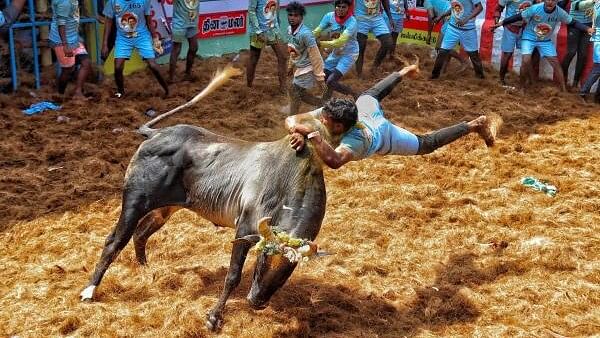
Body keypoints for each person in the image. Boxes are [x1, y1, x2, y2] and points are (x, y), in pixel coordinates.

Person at [285, 65, 501, 170]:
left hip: (383, 136)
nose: (321, 121)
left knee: (427, 144)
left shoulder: (356, 141)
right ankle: (402, 72)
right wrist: (297, 130)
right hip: (368, 111)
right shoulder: (336, 111)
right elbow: (291, 120)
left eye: (326, 122)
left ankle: (473, 125)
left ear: (340, 127)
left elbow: (334, 161)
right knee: (370, 94)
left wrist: (312, 134)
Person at [493, 0, 593, 91]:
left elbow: (573, 22)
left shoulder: (560, 12)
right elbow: (518, 16)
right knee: (526, 60)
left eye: (553, 0)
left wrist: (587, 29)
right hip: (529, 38)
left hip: (545, 41)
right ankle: (521, 86)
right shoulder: (535, 8)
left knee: (555, 62)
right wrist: (501, 22)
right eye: (548, 0)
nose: (550, 2)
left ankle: (563, 89)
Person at [102, 0, 169, 98]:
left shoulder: (144, 1)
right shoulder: (113, 2)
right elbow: (108, 23)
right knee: (117, 67)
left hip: (142, 37)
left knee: (153, 65)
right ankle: (121, 92)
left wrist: (155, 39)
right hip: (123, 38)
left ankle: (167, 90)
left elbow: (149, 21)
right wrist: (105, 44)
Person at [313, 0, 359, 100]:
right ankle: (325, 101)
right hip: (336, 53)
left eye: (344, 7)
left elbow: (340, 42)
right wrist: (307, 38)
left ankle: (354, 93)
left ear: (348, 8)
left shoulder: (352, 22)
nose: (341, 9)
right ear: (335, 7)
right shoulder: (329, 16)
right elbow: (317, 30)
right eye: (338, 6)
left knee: (331, 81)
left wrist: (320, 43)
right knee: (323, 77)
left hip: (349, 54)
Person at [286, 1, 325, 115]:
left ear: (301, 17)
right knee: (298, 93)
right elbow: (292, 49)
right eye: (290, 15)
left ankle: (292, 117)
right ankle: (323, 104)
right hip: (300, 67)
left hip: (308, 67)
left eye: (296, 15)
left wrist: (319, 76)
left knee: (294, 91)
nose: (292, 18)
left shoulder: (306, 34)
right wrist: (290, 66)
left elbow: (315, 55)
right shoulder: (289, 30)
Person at [431, 0, 485, 79]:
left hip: (468, 29)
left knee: (474, 55)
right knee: (442, 51)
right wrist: (441, 16)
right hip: (452, 28)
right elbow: (454, 8)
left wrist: (466, 19)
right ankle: (434, 76)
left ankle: (480, 78)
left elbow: (480, 8)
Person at [49, 0, 92, 100]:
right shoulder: (64, 3)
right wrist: (65, 45)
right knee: (68, 69)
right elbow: (61, 25)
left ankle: (78, 92)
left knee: (85, 63)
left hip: (73, 38)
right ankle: (60, 94)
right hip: (62, 40)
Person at [247, 0, 288, 93]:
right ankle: (248, 86)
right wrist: (258, 31)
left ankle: (283, 88)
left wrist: (278, 24)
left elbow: (276, 7)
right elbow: (251, 11)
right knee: (254, 58)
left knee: (283, 57)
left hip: (274, 29)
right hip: (258, 31)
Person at [493, 0, 533, 85]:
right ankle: (501, 79)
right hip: (510, 27)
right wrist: (496, 23)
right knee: (507, 54)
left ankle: (528, 80)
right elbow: (498, 9)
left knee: (528, 54)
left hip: (525, 28)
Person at [354, 0, 395, 77]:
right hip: (361, 19)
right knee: (360, 46)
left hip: (377, 19)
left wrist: (390, 17)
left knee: (388, 43)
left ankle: (375, 66)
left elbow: (384, 2)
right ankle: (358, 73)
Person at [425, 0, 467, 72]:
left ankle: (463, 61)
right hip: (457, 16)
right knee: (446, 46)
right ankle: (443, 69)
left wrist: (429, 34)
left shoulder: (427, 1)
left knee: (440, 47)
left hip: (451, 18)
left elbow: (431, 18)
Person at [561, 0, 594, 89]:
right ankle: (563, 80)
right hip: (574, 23)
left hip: (589, 24)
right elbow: (577, 5)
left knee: (583, 55)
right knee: (571, 52)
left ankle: (575, 83)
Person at [168, 0, 200, 82]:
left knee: (194, 47)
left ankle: (187, 74)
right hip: (179, 23)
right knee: (176, 50)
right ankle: (171, 77)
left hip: (192, 23)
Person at [578, 0, 600, 103]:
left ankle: (597, 96)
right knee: (598, 68)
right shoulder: (597, 4)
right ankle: (583, 93)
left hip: (598, 37)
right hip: (599, 38)